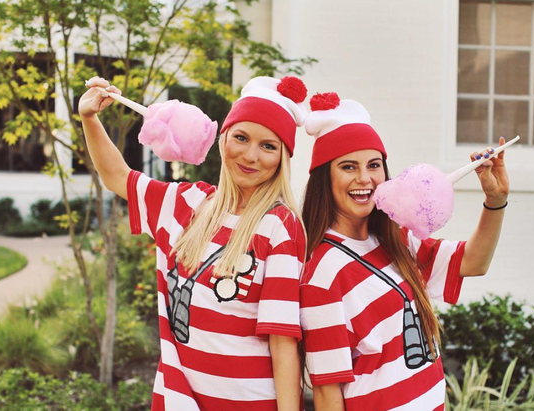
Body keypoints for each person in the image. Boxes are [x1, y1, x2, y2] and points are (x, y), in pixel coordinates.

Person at [78, 75, 310, 411]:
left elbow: (283, 340)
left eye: (268, 146)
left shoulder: (279, 226)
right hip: (179, 399)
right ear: (223, 138)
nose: (251, 155)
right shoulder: (188, 203)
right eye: (241, 138)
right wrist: (89, 118)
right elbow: (117, 176)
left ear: (283, 158)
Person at [297, 93, 509, 410]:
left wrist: (495, 200)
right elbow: (328, 391)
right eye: (348, 167)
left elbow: (474, 262)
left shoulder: (397, 238)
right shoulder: (322, 275)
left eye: (374, 165)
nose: (364, 178)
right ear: (324, 177)